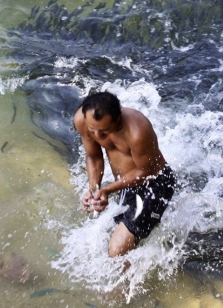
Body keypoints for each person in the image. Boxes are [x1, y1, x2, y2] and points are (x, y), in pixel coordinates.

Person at [73, 91, 176, 257]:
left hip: (155, 184)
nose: (98, 136)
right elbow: (94, 156)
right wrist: (94, 189)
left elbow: (145, 171)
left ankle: (125, 284)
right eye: (93, 130)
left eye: (104, 131)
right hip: (126, 185)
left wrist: (107, 190)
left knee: (117, 250)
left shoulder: (137, 130)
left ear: (118, 119)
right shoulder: (83, 120)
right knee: (102, 240)